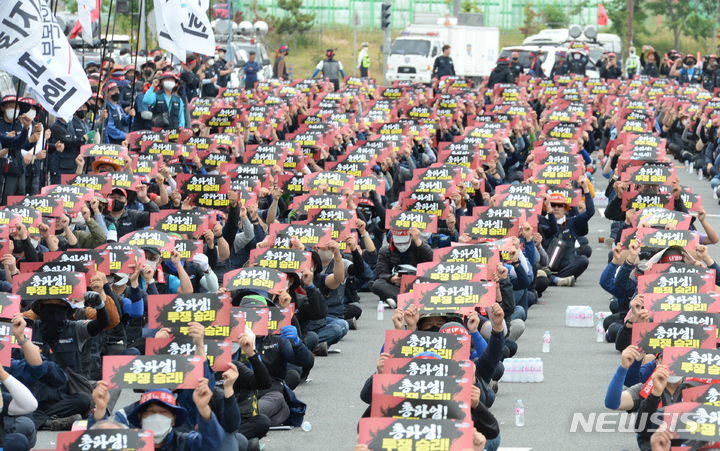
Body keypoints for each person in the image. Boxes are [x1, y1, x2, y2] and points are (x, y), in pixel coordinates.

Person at [90, 383, 226, 451]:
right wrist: (101, 409)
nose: (157, 417)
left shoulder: (185, 442)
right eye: (151, 412)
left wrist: (204, 408)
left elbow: (213, 442)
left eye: (163, 412)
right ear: (140, 417)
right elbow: (97, 443)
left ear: (173, 419)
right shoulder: (128, 443)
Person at [371, 226, 433, 308]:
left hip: (419, 283)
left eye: (404, 242)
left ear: (410, 238)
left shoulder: (418, 245)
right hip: (397, 286)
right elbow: (381, 274)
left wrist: (418, 241)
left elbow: (431, 260)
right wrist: (392, 279)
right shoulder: (384, 251)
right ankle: (405, 299)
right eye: (399, 243)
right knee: (376, 284)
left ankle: (397, 300)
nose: (401, 245)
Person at [0, 97, 41, 205]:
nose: (14, 109)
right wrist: (9, 141)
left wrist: (31, 135)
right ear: (3, 108)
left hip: (20, 170)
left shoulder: (19, 124)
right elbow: (7, 145)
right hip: (6, 172)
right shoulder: (0, 126)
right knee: (5, 204)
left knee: (20, 203)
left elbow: (23, 145)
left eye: (16, 107)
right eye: (10, 106)